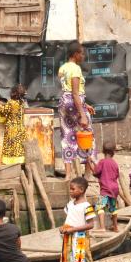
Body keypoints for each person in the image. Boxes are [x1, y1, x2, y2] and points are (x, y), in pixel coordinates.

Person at [58, 43, 95, 178]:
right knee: (86, 134)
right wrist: (82, 114)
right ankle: (87, 174)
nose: (83, 56)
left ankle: (68, 174)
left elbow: (67, 90)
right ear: (75, 54)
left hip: (64, 103)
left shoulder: (63, 68)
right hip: (75, 102)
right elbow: (75, 93)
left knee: (67, 136)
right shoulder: (75, 69)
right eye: (82, 53)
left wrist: (85, 105)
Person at [60, 176, 96, 262]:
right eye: (70, 189)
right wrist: (63, 227)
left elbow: (91, 225)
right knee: (69, 254)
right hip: (68, 233)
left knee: (80, 255)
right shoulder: (70, 204)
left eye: (73, 189)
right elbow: (69, 218)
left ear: (81, 190)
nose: (70, 191)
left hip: (80, 235)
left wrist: (74, 229)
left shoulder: (86, 206)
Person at [0, 84, 28, 166]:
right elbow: (10, 108)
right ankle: (19, 164)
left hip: (12, 130)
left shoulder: (11, 103)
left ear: (13, 93)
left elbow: (3, 110)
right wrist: (3, 104)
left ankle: (10, 165)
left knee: (11, 148)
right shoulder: (22, 103)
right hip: (20, 129)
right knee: (18, 148)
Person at [91, 142, 120, 231]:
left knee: (100, 207)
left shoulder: (102, 162)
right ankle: (115, 227)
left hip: (105, 189)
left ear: (103, 151)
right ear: (113, 152)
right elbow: (116, 175)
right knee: (113, 208)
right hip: (114, 189)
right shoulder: (115, 163)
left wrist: (90, 162)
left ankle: (102, 227)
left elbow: (96, 173)